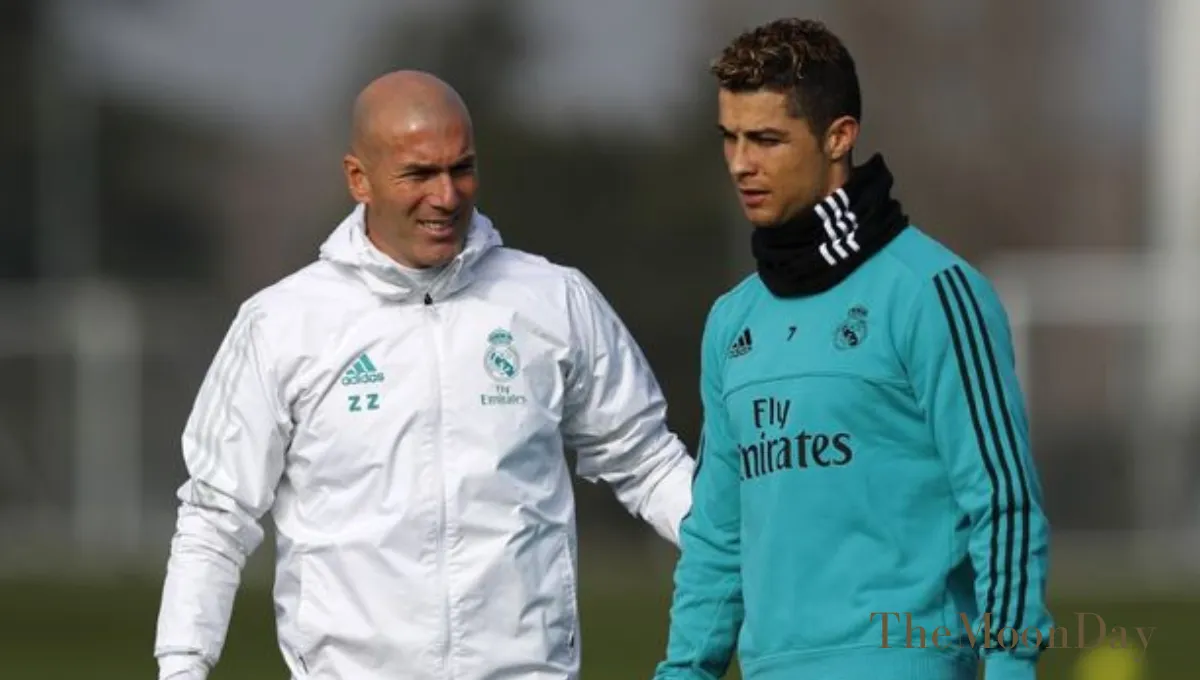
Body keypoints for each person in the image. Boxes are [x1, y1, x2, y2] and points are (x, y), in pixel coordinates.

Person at [153, 70, 695, 680]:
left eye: (460, 169)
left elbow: (647, 461)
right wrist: (182, 666)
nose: (446, 195)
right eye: (418, 174)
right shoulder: (282, 324)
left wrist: (750, 564)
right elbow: (215, 515)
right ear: (358, 178)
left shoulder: (553, 299)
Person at [654, 18, 1053, 680]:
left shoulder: (933, 292)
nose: (740, 163)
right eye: (730, 138)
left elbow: (1002, 500)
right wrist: (684, 671)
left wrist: (1011, 666)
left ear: (839, 136)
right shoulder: (732, 321)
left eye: (767, 139)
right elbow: (719, 538)